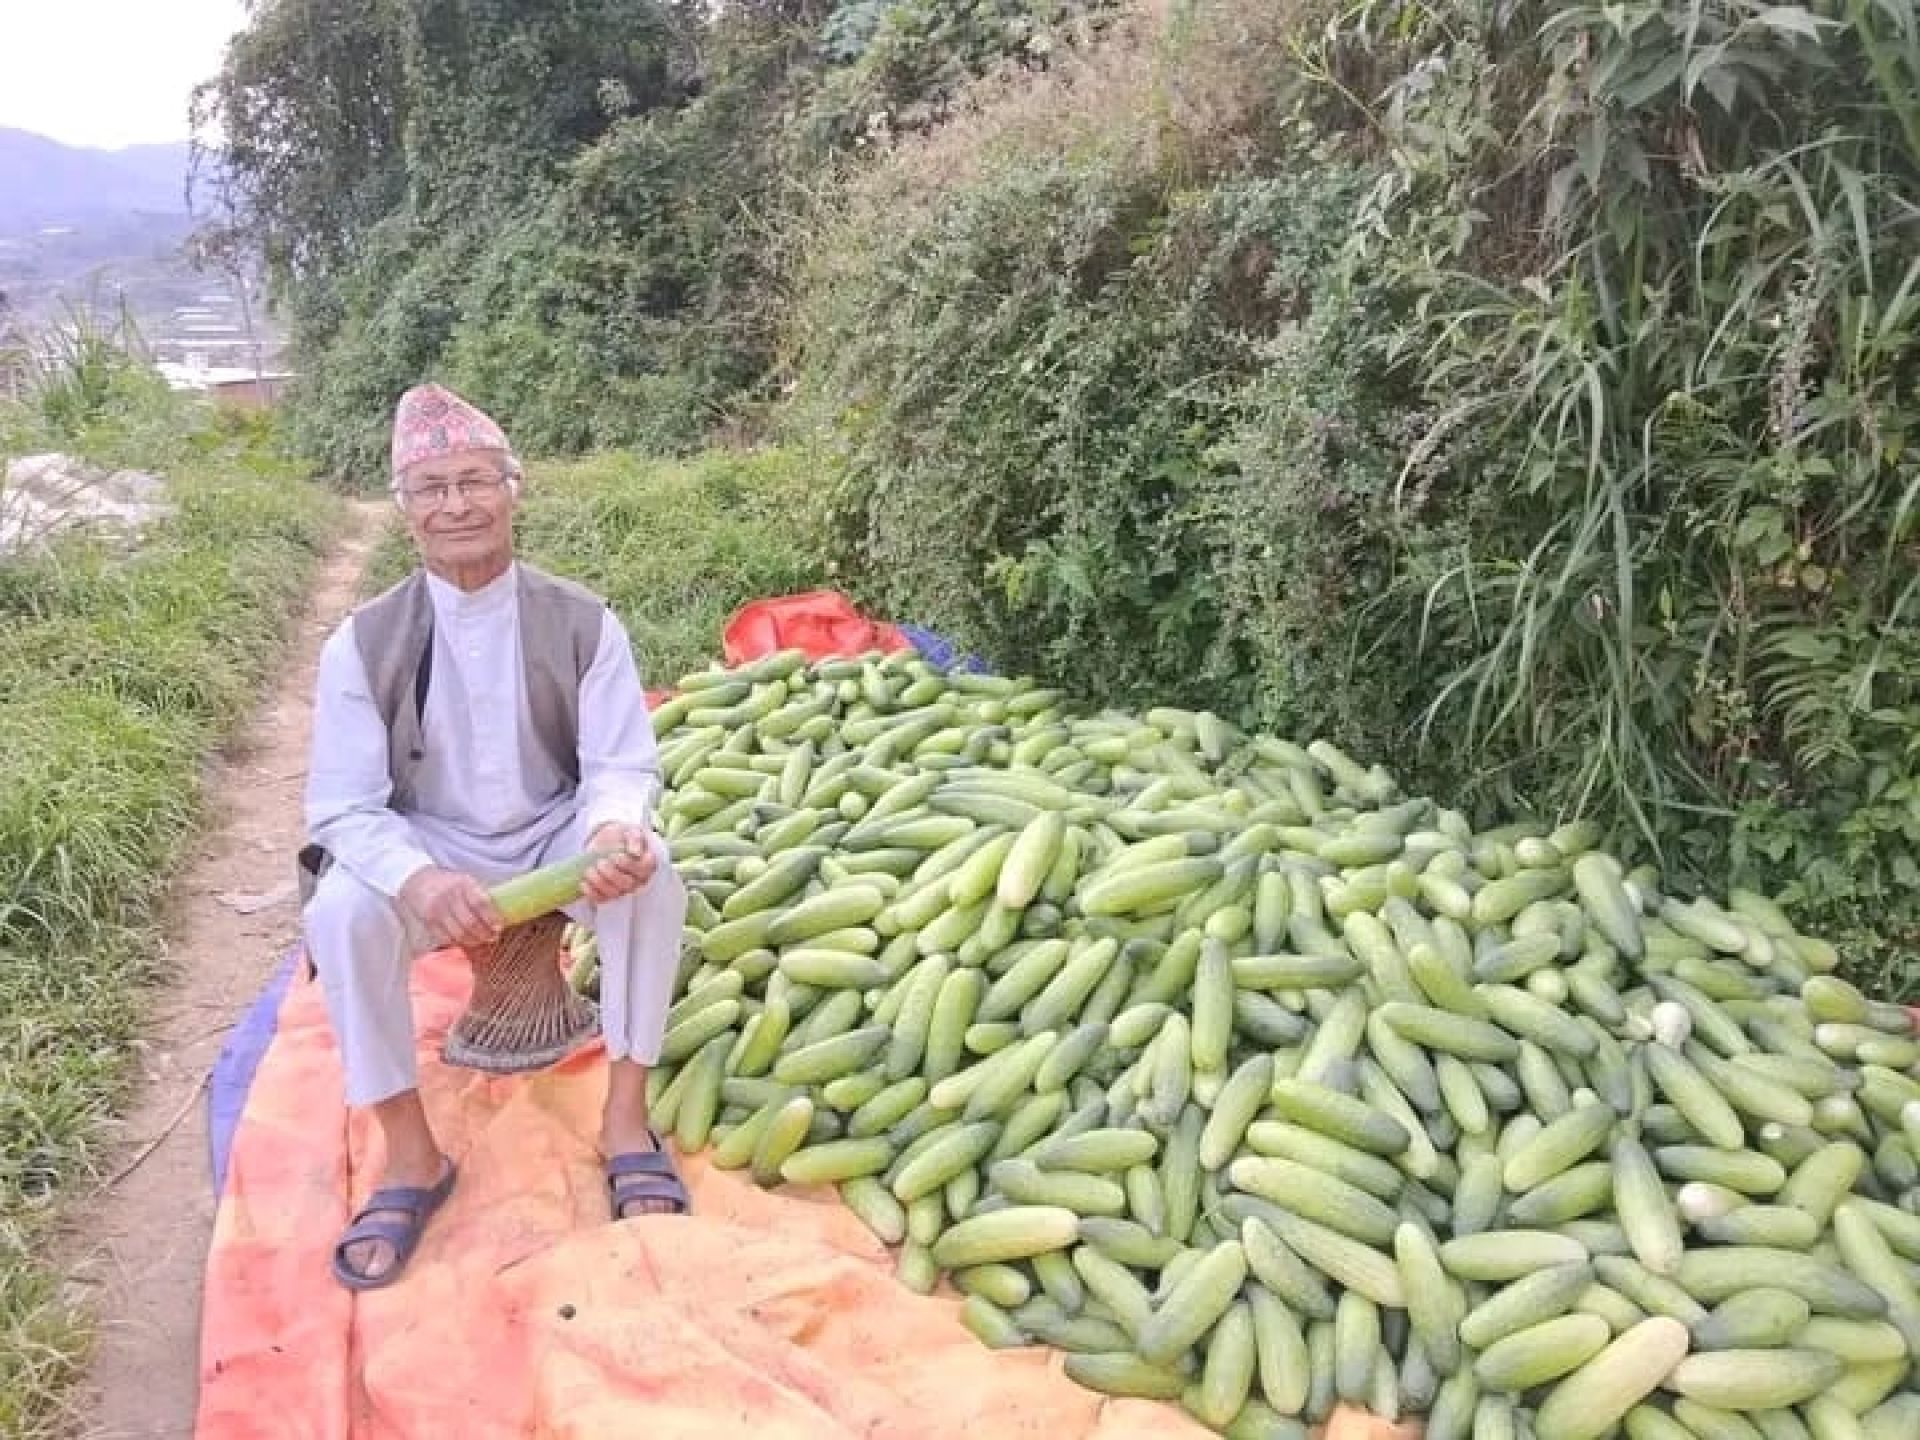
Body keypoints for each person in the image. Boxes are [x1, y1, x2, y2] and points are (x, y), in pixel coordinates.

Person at [299, 382, 690, 1292]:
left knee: (655, 875)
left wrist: (613, 832)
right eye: (431, 489)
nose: (456, 505)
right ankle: (410, 1157)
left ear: (514, 489)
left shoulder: (585, 619)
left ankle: (624, 1121)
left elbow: (621, 764)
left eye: (475, 480)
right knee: (344, 913)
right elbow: (345, 805)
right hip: (426, 841)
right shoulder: (360, 643)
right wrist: (418, 880)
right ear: (405, 513)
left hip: (558, 831)